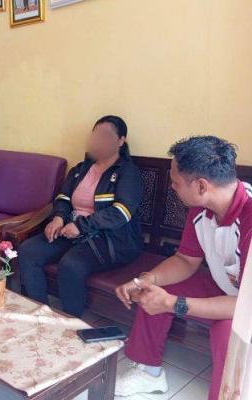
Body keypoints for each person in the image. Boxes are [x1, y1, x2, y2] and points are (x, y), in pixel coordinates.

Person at [114, 136, 251, 400]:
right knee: (155, 290)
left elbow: (247, 306)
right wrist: (147, 279)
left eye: (176, 182)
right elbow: (186, 260)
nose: (172, 187)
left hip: (247, 306)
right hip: (230, 289)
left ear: (201, 186)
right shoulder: (202, 207)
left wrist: (172, 303)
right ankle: (149, 372)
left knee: (227, 333)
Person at [18, 115, 143, 317]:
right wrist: (59, 218)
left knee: (71, 265)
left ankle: (71, 322)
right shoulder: (81, 169)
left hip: (110, 238)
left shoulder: (127, 172)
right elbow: (63, 197)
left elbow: (120, 213)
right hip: (72, 230)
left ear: (121, 141)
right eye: (95, 135)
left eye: (105, 136)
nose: (98, 140)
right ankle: (40, 314)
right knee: (28, 251)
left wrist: (81, 226)